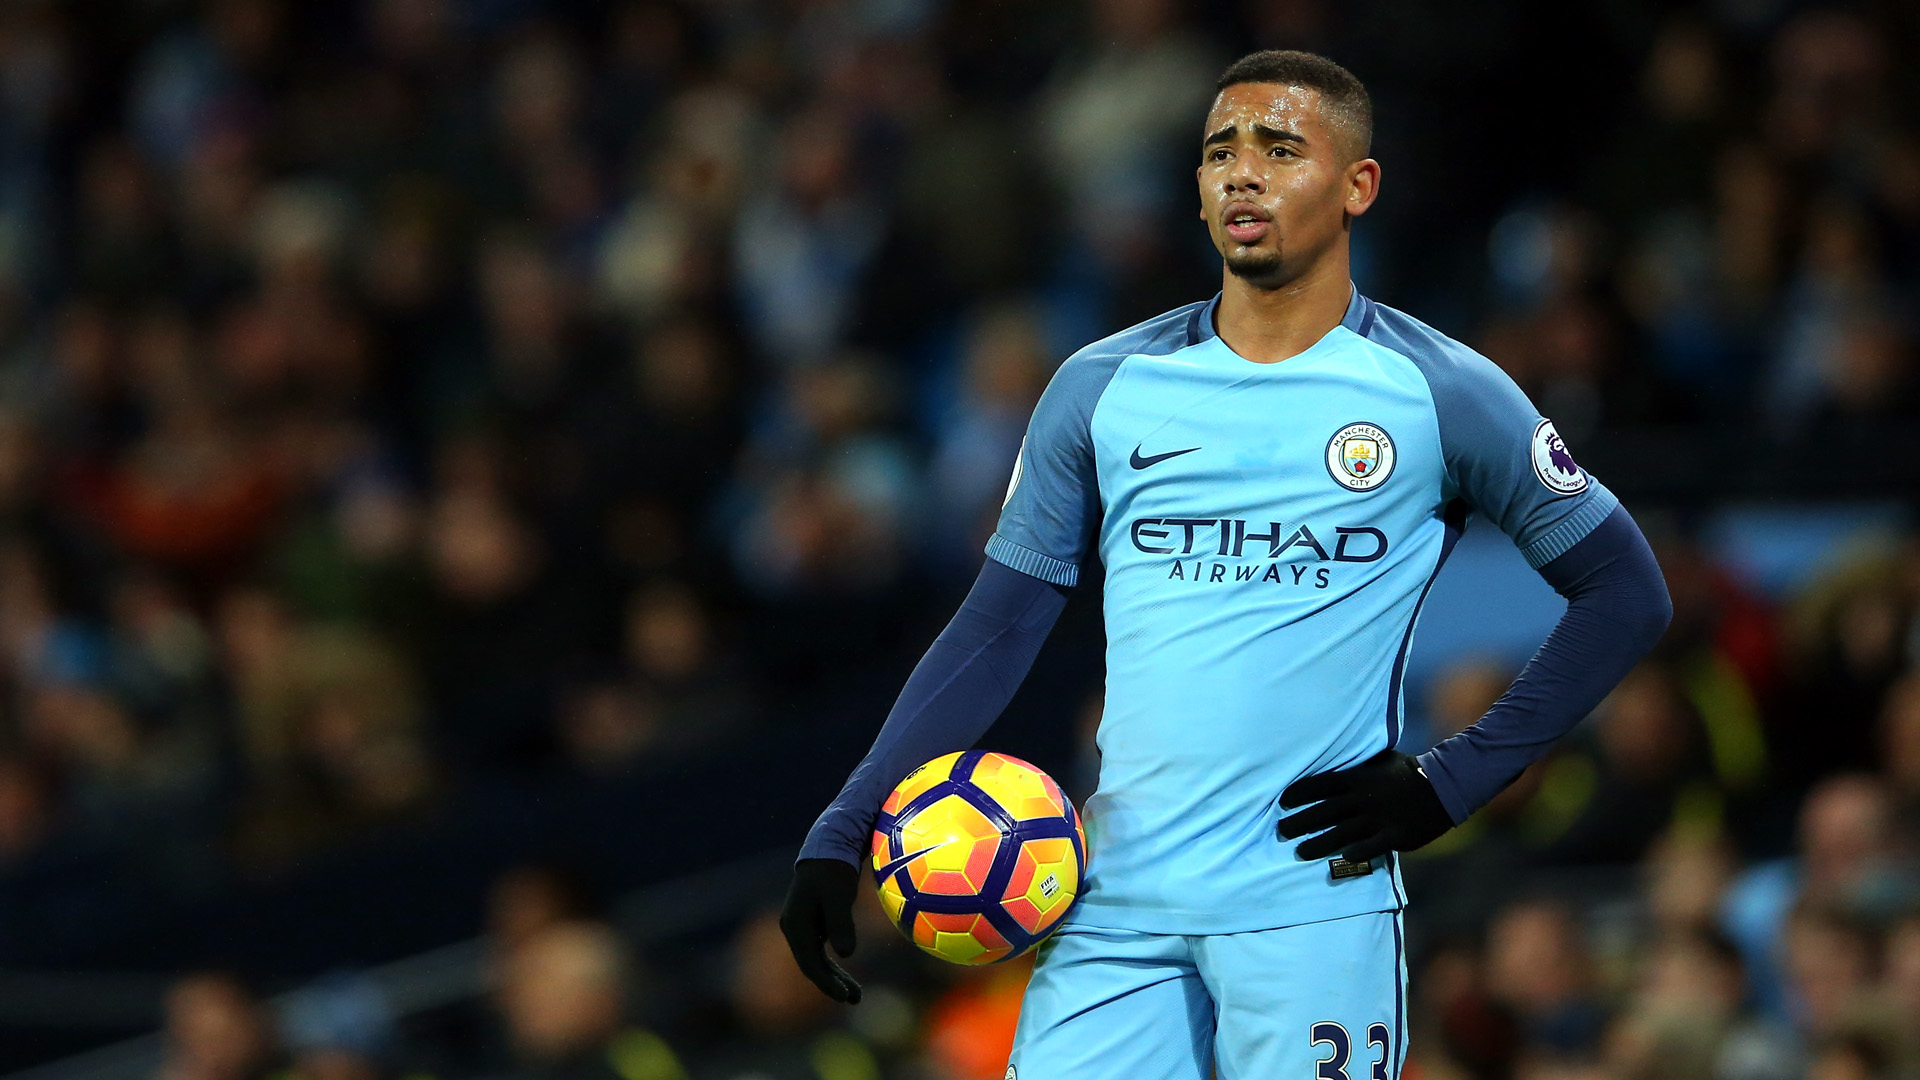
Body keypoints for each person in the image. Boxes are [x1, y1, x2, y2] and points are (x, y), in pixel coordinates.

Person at [780, 49, 1672, 1079]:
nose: (1241, 173)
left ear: (1357, 187)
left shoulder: (1442, 392)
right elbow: (996, 629)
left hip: (1309, 906)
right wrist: (842, 829)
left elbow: (1626, 593)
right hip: (1115, 899)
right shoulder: (1102, 387)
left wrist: (1450, 781)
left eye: (1281, 148)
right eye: (1220, 152)